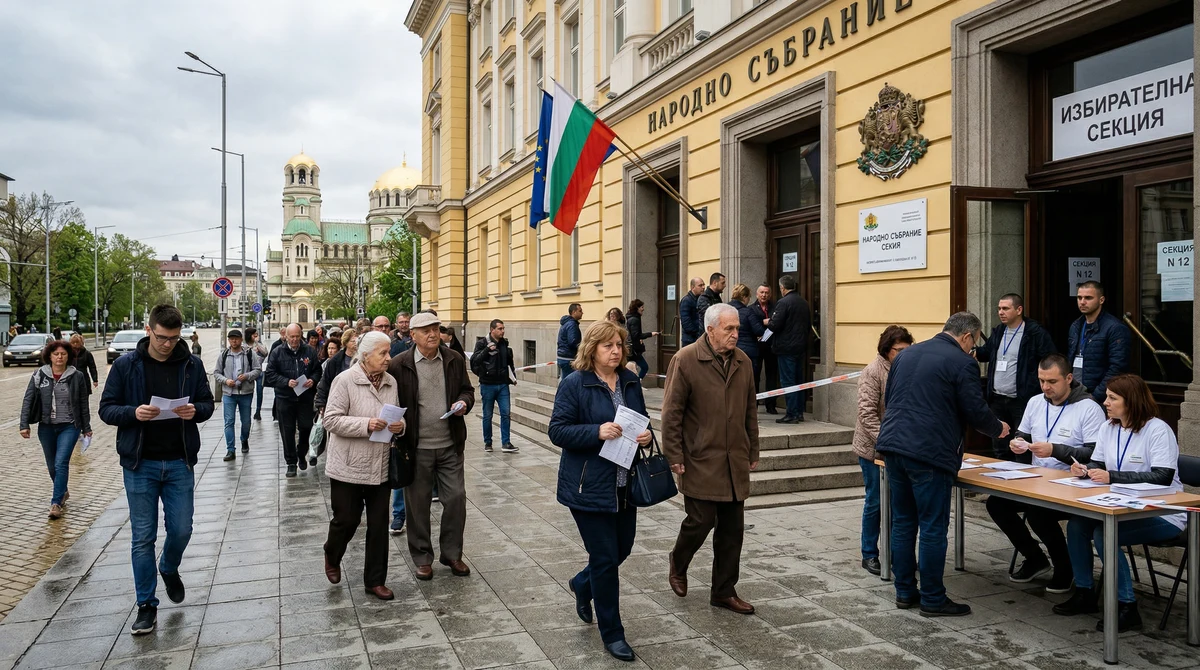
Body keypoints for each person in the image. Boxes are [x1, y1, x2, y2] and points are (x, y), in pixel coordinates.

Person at [874, 311, 1009, 617]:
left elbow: (893, 398)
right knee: (933, 527)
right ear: (967, 337)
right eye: (972, 344)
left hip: (894, 446)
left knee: (904, 522)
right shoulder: (963, 362)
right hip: (929, 453)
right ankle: (933, 598)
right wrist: (998, 428)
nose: (972, 350)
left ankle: (905, 592)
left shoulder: (907, 355)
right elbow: (975, 410)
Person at [99, 304, 214, 635]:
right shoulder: (126, 365)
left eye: (174, 338)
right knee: (142, 536)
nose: (167, 344)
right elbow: (106, 409)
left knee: (182, 530)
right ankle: (146, 605)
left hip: (179, 461)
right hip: (140, 463)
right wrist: (133, 413)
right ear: (149, 330)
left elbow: (207, 403)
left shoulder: (191, 364)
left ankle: (169, 565)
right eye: (162, 338)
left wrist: (197, 411)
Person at [548, 319, 652, 663]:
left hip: (625, 484)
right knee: (606, 559)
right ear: (591, 349)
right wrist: (596, 431)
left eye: (619, 345)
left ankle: (582, 583)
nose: (616, 351)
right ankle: (613, 634)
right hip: (588, 486)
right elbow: (558, 431)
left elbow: (643, 419)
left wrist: (647, 435)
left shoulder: (630, 380)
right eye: (608, 346)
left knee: (620, 551)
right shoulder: (575, 383)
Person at [1054, 373, 1186, 632]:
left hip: (1164, 511)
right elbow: (1100, 463)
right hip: (1120, 506)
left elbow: (1163, 476)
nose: (1105, 402)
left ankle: (1127, 607)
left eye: (1113, 398)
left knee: (1105, 533)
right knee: (1077, 525)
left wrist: (1111, 476)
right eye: (1107, 397)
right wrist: (1085, 469)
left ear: (1132, 401)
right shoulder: (1109, 427)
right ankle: (1085, 593)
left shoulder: (1158, 430)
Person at [662, 304, 760, 616]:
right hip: (699, 457)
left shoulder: (743, 361)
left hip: (734, 461)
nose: (735, 334)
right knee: (700, 520)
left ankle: (723, 591)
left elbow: (750, 411)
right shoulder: (686, 359)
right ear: (710, 330)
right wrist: (673, 454)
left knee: (732, 531)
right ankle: (678, 560)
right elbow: (671, 413)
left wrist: (753, 449)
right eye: (729, 329)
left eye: (737, 328)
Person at [987, 354, 1106, 592]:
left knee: (1038, 513)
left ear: (1069, 378)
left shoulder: (1088, 408)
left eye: (1052, 381)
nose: (1045, 387)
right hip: (1037, 479)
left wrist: (1055, 450)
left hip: (1073, 483)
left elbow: (1096, 455)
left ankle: (1066, 567)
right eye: (1042, 380)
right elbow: (1023, 434)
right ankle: (1035, 558)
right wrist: (1018, 442)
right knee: (996, 504)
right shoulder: (1035, 402)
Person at [388, 311, 475, 580]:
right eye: (426, 330)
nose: (433, 334)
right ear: (412, 335)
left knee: (456, 499)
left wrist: (464, 403)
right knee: (418, 505)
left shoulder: (453, 359)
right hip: (416, 447)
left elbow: (467, 390)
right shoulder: (399, 364)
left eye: (436, 328)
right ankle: (422, 557)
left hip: (450, 444)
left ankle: (452, 555)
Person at [321, 331, 406, 601]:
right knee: (346, 520)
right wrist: (365, 424)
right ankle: (332, 554)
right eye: (383, 353)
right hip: (348, 465)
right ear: (365, 355)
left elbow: (398, 416)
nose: (388, 358)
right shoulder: (344, 380)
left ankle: (375, 581)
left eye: (389, 352)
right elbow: (331, 420)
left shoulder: (391, 382)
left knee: (379, 525)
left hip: (380, 464)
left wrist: (400, 427)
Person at [852, 325, 913, 576]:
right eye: (899, 350)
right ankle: (869, 553)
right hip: (873, 449)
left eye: (907, 350)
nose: (903, 354)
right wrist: (886, 442)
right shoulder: (873, 371)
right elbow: (866, 414)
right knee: (876, 501)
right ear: (887, 350)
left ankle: (897, 553)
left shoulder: (906, 368)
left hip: (898, 448)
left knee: (898, 504)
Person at [974, 294, 1057, 461]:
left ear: (1019, 310)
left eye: (1005, 308)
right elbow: (987, 353)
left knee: (1021, 447)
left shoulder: (1035, 333)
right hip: (997, 399)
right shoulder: (999, 331)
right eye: (999, 308)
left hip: (1021, 399)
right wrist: (972, 350)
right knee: (1000, 447)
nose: (1000, 312)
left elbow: (1050, 360)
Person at [20, 340, 93, 520]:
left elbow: (83, 403)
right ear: (50, 356)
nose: (59, 357)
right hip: (46, 427)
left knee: (61, 463)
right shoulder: (40, 375)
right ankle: (63, 491)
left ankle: (55, 503)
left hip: (69, 426)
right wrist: (24, 424)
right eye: (56, 354)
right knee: (52, 466)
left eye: (63, 354)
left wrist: (87, 428)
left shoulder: (77, 376)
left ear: (68, 355)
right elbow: (28, 399)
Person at [264, 323, 322, 477]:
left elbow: (317, 370)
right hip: (285, 397)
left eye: (297, 336)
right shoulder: (277, 352)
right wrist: (285, 382)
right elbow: (270, 374)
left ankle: (301, 453)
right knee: (287, 431)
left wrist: (312, 380)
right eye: (292, 337)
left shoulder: (309, 351)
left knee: (306, 427)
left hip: (304, 397)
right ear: (286, 337)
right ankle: (291, 462)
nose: (295, 339)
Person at [1067, 281, 1131, 404]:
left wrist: (1096, 396)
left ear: (1101, 300)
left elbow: (1117, 368)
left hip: (1099, 397)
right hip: (1075, 392)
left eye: (1088, 298)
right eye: (1079, 298)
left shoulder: (1115, 328)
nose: (1082, 302)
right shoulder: (1076, 326)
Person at [766, 275, 811, 424]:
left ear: (782, 288)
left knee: (788, 381)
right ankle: (799, 412)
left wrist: (768, 321)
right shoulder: (804, 302)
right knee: (798, 380)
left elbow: (775, 325)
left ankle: (791, 413)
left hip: (786, 348)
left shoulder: (783, 303)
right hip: (800, 347)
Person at [471, 319, 517, 454]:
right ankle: (488, 442)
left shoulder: (504, 343)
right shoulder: (482, 343)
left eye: (503, 328)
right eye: (500, 329)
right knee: (487, 415)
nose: (502, 331)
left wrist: (512, 377)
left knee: (506, 414)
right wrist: (486, 350)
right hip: (487, 384)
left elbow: (509, 362)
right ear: (492, 330)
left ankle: (506, 443)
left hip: (503, 384)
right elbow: (474, 361)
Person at [214, 329, 260, 462]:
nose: (234, 341)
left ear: (241, 340)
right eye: (231, 339)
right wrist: (226, 381)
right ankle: (230, 450)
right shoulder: (223, 355)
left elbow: (257, 370)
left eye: (236, 338)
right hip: (229, 393)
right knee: (229, 422)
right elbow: (216, 373)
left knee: (246, 422)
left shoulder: (249, 354)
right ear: (229, 340)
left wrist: (247, 376)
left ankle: (244, 439)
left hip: (245, 392)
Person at [316, 332, 357, 468]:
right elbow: (325, 382)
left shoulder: (362, 358)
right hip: (338, 402)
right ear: (345, 343)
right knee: (339, 434)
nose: (356, 343)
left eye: (357, 340)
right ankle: (339, 462)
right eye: (352, 341)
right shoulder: (336, 360)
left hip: (357, 402)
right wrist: (321, 403)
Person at [752, 284, 779, 415]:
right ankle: (754, 404)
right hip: (757, 347)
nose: (764, 295)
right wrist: (764, 321)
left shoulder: (776, 307)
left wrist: (763, 321)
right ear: (757, 294)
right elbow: (753, 323)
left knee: (771, 376)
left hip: (771, 346)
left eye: (767, 293)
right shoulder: (751, 308)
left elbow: (777, 322)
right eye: (762, 292)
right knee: (755, 376)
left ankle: (771, 404)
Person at [729, 284, 764, 383]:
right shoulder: (748, 311)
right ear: (744, 297)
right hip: (749, 351)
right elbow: (759, 330)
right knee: (750, 380)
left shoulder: (725, 309)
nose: (749, 300)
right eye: (749, 297)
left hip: (730, 349)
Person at [624, 300, 658, 380]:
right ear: (637, 308)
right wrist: (650, 334)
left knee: (625, 367)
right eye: (642, 307)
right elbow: (636, 335)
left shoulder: (632, 318)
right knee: (644, 367)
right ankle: (637, 382)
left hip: (632, 348)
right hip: (634, 349)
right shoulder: (634, 319)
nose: (643, 309)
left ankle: (634, 382)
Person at [244, 327, 269, 420]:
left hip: (259, 371)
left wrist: (257, 343)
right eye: (254, 334)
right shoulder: (244, 345)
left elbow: (266, 353)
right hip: (248, 372)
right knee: (249, 391)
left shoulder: (258, 344)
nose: (256, 336)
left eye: (257, 334)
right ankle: (247, 409)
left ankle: (258, 411)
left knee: (259, 391)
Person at [557, 303, 584, 381]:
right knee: (569, 382)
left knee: (565, 380)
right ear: (574, 312)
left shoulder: (567, 323)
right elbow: (573, 342)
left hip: (564, 356)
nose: (582, 313)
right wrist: (583, 348)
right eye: (580, 311)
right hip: (568, 358)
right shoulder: (572, 325)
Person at [679, 278, 704, 347]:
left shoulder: (700, 300)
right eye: (700, 285)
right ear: (693, 287)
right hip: (690, 340)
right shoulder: (686, 300)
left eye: (703, 285)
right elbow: (686, 322)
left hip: (698, 338)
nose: (703, 287)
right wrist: (698, 332)